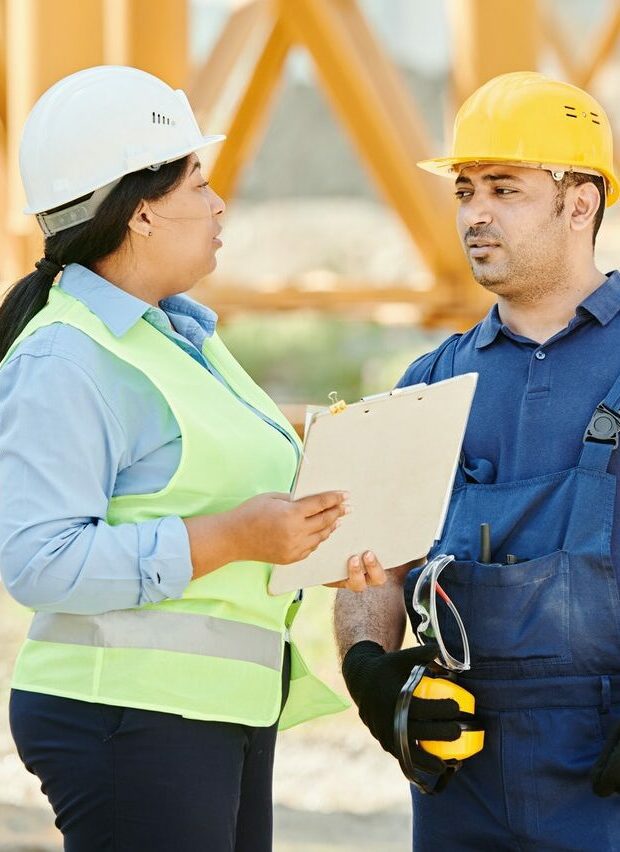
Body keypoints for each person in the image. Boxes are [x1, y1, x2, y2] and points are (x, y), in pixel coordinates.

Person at [0, 65, 387, 852]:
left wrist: (318, 536)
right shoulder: (67, 358)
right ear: (140, 213)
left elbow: (211, 484)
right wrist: (237, 538)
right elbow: (37, 561)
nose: (217, 205)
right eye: (197, 183)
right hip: (130, 719)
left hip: (214, 711)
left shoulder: (177, 336)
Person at [335, 71, 620, 851]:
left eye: (504, 187)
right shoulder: (427, 384)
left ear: (581, 202)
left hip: (606, 768)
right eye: (464, 190)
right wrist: (371, 667)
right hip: (466, 768)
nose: (476, 213)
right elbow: (372, 568)